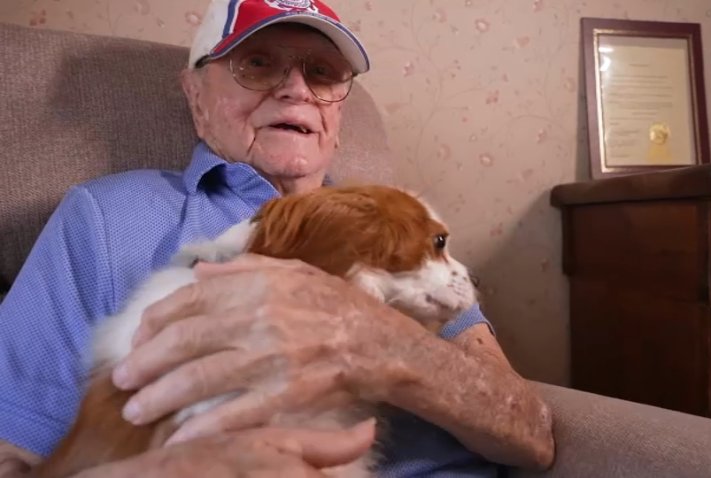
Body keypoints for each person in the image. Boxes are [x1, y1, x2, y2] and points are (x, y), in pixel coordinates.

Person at [0, 0, 555, 476]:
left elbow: (529, 433)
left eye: (322, 72)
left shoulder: (402, 226)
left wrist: (382, 345)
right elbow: (13, 451)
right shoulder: (106, 217)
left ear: (340, 112)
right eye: (258, 64)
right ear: (195, 93)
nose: (296, 91)